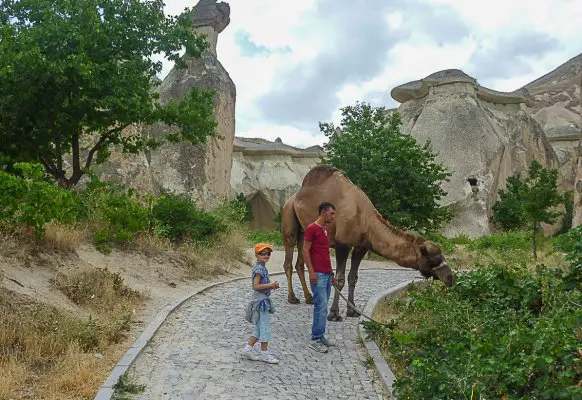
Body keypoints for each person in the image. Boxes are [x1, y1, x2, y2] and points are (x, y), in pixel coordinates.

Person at [303, 201, 337, 353]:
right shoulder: (312, 229)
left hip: (327, 274)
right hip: (318, 274)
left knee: (324, 306)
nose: (333, 216)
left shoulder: (325, 230)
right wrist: (311, 271)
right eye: (331, 213)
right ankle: (315, 339)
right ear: (323, 212)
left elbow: (325, 254)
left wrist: (331, 273)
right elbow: (305, 250)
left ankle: (320, 335)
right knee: (320, 306)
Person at [242, 243, 280, 364]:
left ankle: (247, 349)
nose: (266, 255)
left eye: (268, 253)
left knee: (258, 329)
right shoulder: (259, 269)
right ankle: (265, 354)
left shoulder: (262, 267)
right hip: (260, 302)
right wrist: (271, 285)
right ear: (257, 255)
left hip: (262, 300)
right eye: (263, 253)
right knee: (265, 328)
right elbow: (256, 286)